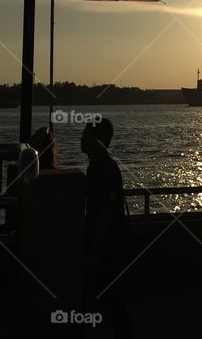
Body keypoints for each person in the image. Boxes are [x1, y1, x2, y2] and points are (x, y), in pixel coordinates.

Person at [81, 118, 133, 338]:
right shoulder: (97, 164)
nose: (81, 139)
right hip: (106, 243)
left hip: (108, 245)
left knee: (110, 298)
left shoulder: (103, 168)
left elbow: (105, 213)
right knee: (108, 298)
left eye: (86, 135)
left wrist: (94, 250)